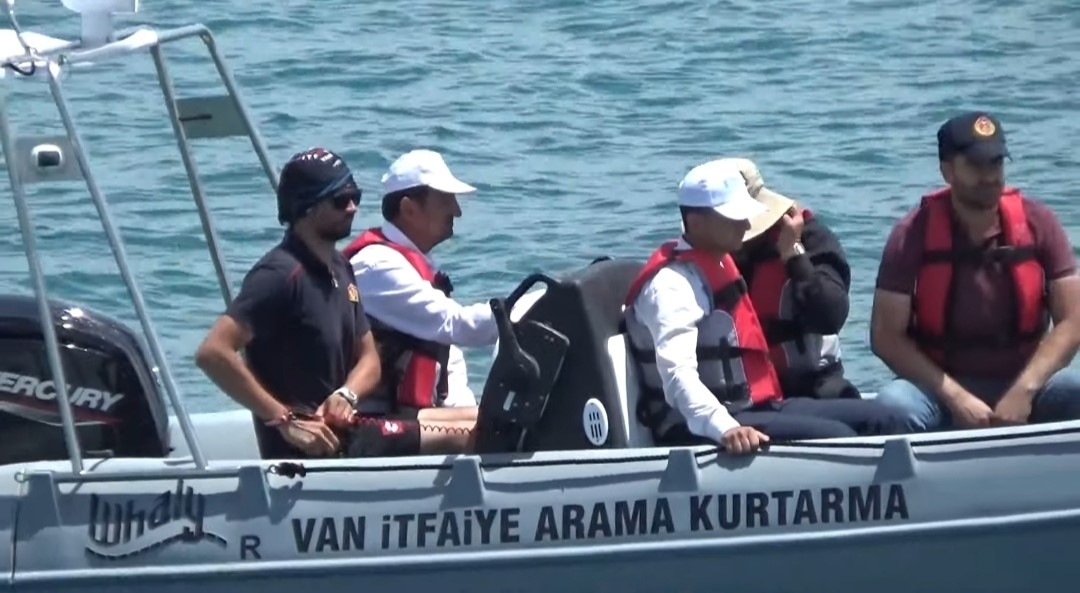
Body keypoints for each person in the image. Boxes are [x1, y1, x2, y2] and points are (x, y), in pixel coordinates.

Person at [194, 147, 472, 460]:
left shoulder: (341, 269)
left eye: (355, 196)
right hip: (317, 450)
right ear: (307, 207)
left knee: (488, 417)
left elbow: (369, 359)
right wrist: (284, 419)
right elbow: (212, 353)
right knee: (481, 432)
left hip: (350, 426)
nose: (352, 207)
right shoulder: (279, 275)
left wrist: (348, 393)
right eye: (340, 200)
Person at [623, 159, 909, 455]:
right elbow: (676, 375)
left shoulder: (720, 264)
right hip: (705, 424)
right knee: (839, 437)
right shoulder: (671, 286)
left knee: (884, 418)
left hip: (755, 407)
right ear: (696, 223)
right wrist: (725, 428)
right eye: (733, 217)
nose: (747, 225)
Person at [870, 111, 1080, 432]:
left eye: (996, 163)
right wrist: (957, 398)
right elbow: (886, 336)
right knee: (893, 406)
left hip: (1026, 383)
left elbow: (1073, 319)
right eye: (976, 165)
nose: (990, 176)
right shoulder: (911, 234)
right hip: (941, 388)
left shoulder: (1039, 222)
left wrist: (1024, 391)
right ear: (947, 171)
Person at [342, 149, 492, 439]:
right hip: (377, 423)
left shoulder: (413, 263)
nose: (457, 211)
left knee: (503, 421)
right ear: (409, 209)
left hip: (418, 414)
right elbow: (456, 325)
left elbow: (448, 357)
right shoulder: (377, 266)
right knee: (499, 429)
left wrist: (462, 408)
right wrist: (526, 313)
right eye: (445, 200)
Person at [726, 158, 860, 401]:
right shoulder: (711, 250)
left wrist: (793, 254)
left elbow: (830, 317)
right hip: (742, 390)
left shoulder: (810, 237)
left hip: (813, 384)